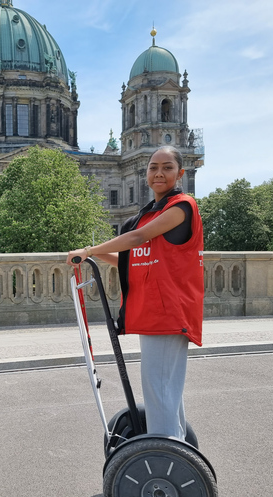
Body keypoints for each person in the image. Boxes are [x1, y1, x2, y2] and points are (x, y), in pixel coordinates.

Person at [66, 146, 203, 440]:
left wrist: (89, 249)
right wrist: (94, 257)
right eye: (153, 167)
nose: (158, 173)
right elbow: (133, 263)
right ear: (146, 174)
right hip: (154, 313)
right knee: (166, 392)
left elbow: (139, 238)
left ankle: (168, 462)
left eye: (167, 167)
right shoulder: (149, 212)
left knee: (160, 391)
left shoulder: (182, 206)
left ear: (180, 173)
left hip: (167, 313)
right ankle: (177, 448)